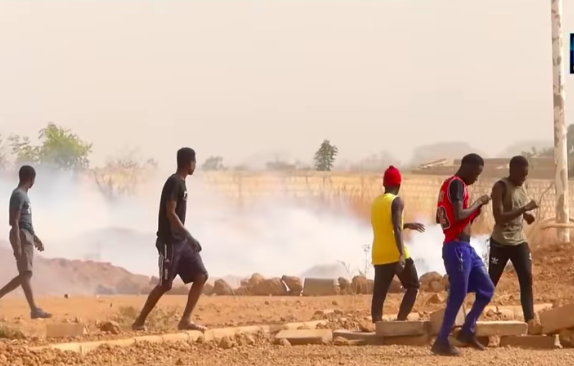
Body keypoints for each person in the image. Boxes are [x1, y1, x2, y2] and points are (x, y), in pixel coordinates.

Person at [132, 147, 209, 332]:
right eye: (194, 162)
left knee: (201, 275)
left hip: (181, 241)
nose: (195, 166)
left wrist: (186, 239)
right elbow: (170, 213)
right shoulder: (174, 182)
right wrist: (189, 236)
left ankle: (185, 320)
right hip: (170, 242)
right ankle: (139, 322)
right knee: (165, 284)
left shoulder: (182, 183)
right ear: (189, 163)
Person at [431, 153, 494, 356]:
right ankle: (441, 341)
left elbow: (443, 216)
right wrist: (478, 203)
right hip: (456, 248)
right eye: (476, 173)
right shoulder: (456, 184)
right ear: (467, 166)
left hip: (465, 248)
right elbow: (458, 215)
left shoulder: (449, 186)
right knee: (458, 294)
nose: (476, 178)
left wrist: (473, 212)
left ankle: (467, 330)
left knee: (486, 288)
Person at [370, 166, 425, 324]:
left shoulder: (376, 202)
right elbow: (396, 228)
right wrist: (401, 255)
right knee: (413, 285)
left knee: (379, 294)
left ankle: (377, 325)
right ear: (399, 185)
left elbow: (386, 225)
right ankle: (400, 320)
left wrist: (406, 224)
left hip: (379, 254)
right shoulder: (397, 201)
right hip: (395, 252)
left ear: (384, 184)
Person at [488, 156, 538, 331]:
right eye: (522, 174)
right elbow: (500, 217)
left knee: (526, 279)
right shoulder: (500, 187)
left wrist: (526, 216)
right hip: (501, 243)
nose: (524, 178)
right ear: (512, 170)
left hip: (519, 241)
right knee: (490, 283)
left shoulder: (521, 186)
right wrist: (524, 209)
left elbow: (515, 206)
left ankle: (530, 319)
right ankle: (470, 318)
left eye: (526, 174)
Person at [0, 165, 51, 319]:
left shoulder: (23, 196)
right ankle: (34, 309)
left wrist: (35, 239)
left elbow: (25, 221)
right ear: (31, 179)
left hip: (26, 234)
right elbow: (14, 221)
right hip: (21, 235)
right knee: (26, 273)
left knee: (25, 274)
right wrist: (17, 243)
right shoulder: (18, 195)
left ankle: (34, 309)